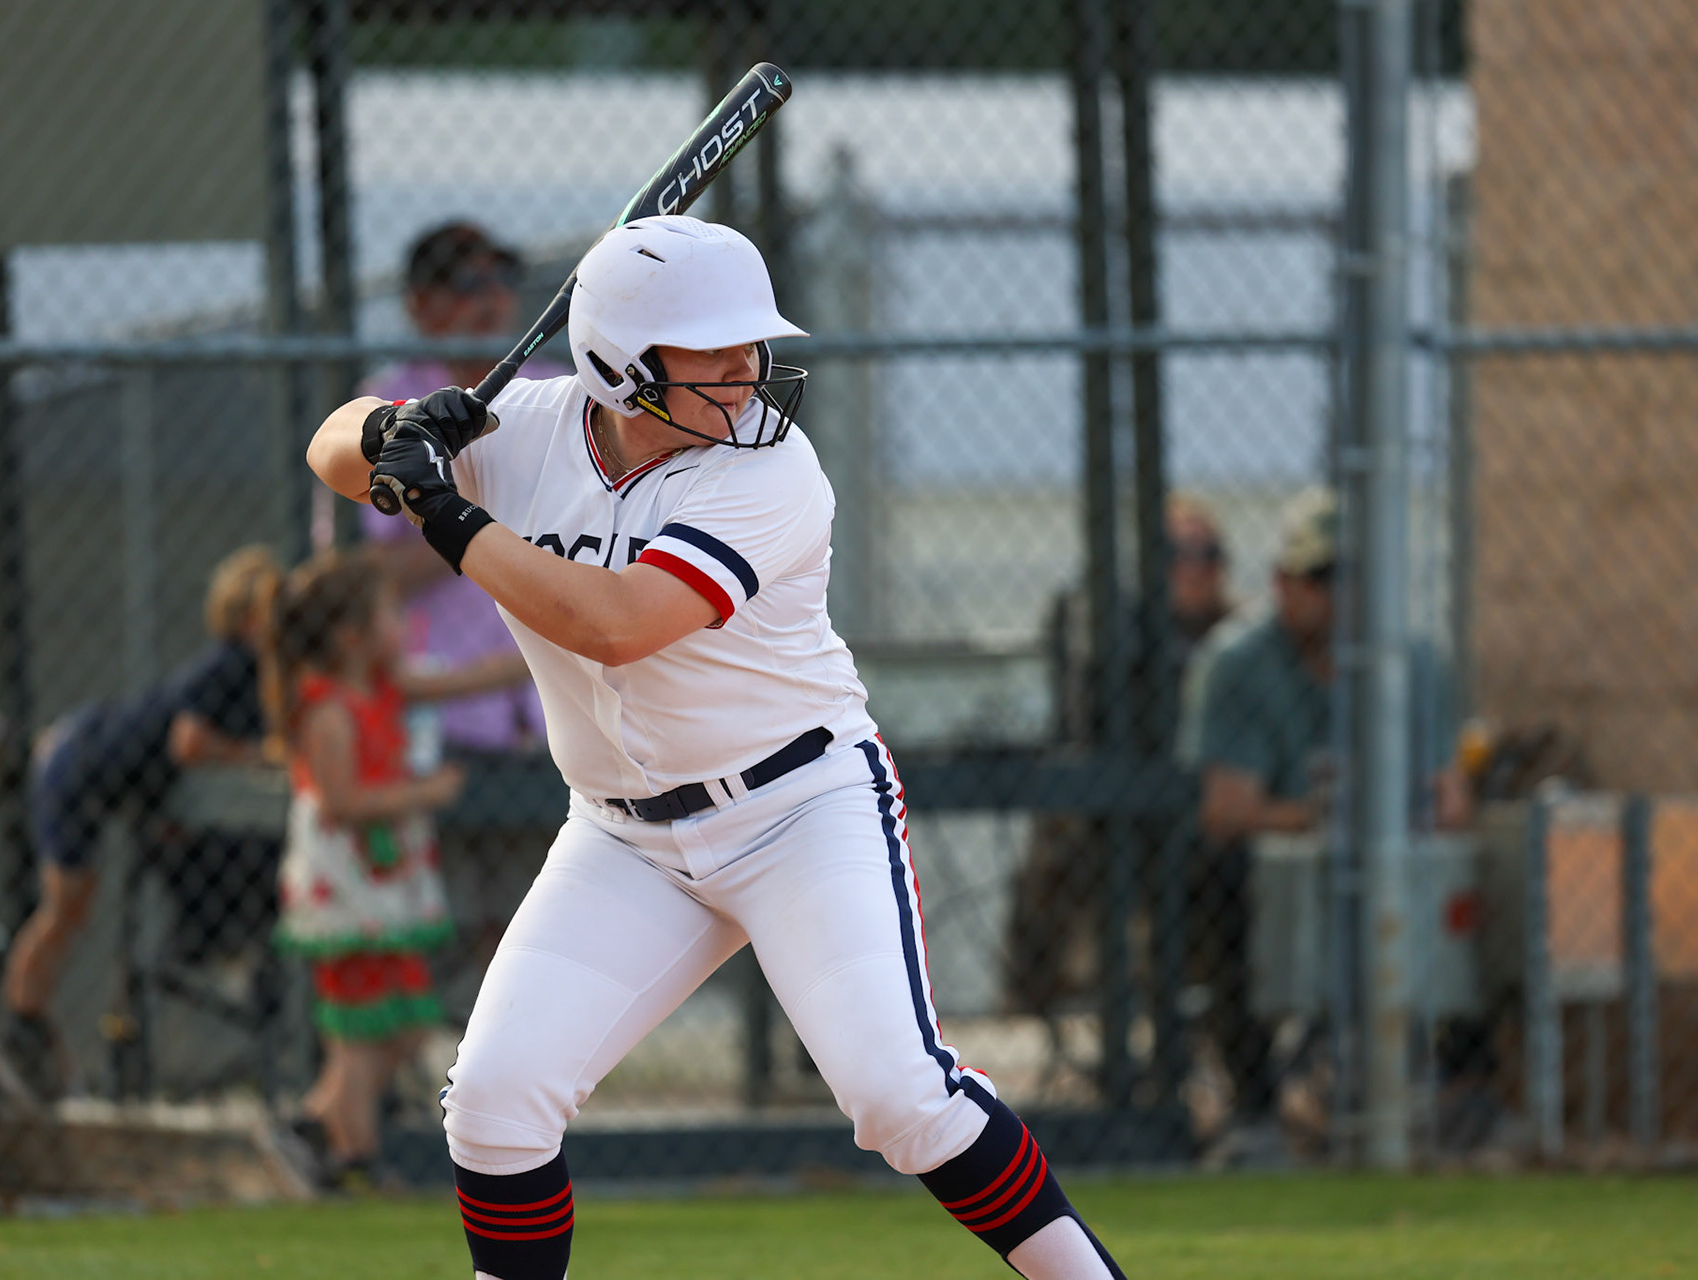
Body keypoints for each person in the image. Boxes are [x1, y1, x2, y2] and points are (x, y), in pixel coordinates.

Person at [310, 215, 1131, 1279]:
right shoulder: (521, 428)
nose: (749, 369)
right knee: (497, 1102)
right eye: (715, 348)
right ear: (622, 361)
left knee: (899, 1095)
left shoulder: (771, 469)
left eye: (753, 343)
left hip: (798, 808)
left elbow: (615, 620)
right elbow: (338, 439)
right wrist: (401, 437)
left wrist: (448, 514)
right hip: (622, 835)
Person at [1176, 486, 1470, 1131]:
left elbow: (1448, 802)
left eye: (1355, 578)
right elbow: (1228, 811)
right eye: (1322, 578)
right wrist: (1328, 814)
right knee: (1216, 878)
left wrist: (1381, 821)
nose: (1340, 597)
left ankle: (1454, 1093)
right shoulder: (1240, 662)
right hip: (1279, 868)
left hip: (1397, 856)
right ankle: (1255, 1108)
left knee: (1473, 876)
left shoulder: (1415, 662)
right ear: (1283, 583)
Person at [0, 545, 282, 1106]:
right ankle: (18, 1019)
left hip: (96, 760)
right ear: (250, 618)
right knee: (66, 907)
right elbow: (189, 741)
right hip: (81, 771)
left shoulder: (253, 675)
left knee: (85, 904)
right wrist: (259, 756)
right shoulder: (233, 664)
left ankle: (33, 1031)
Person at [263, 548, 531, 1187]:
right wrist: (424, 793)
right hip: (348, 888)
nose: (404, 626)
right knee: (364, 1030)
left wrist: (551, 646)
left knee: (403, 1023)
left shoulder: (385, 687)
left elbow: (476, 678)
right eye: (390, 615)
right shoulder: (327, 709)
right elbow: (342, 802)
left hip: (386, 883)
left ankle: (329, 1134)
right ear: (352, 636)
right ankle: (339, 1143)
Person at [361, 221, 558, 986]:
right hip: (436, 718)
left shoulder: (549, 390)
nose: (492, 302)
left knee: (528, 931)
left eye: (499, 282)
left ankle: (518, 1089)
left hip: (544, 715)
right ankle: (432, 1093)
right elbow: (373, 573)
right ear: (422, 305)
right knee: (429, 927)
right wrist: (470, 516)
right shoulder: (384, 405)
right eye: (466, 287)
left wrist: (462, 510)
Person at [1009, 495, 1235, 1020]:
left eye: (1208, 554)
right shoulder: (1124, 636)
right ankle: (1028, 1000)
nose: (1193, 568)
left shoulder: (1236, 640)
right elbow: (1081, 724)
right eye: (1177, 553)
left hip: (1207, 807)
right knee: (1057, 843)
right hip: (1127, 811)